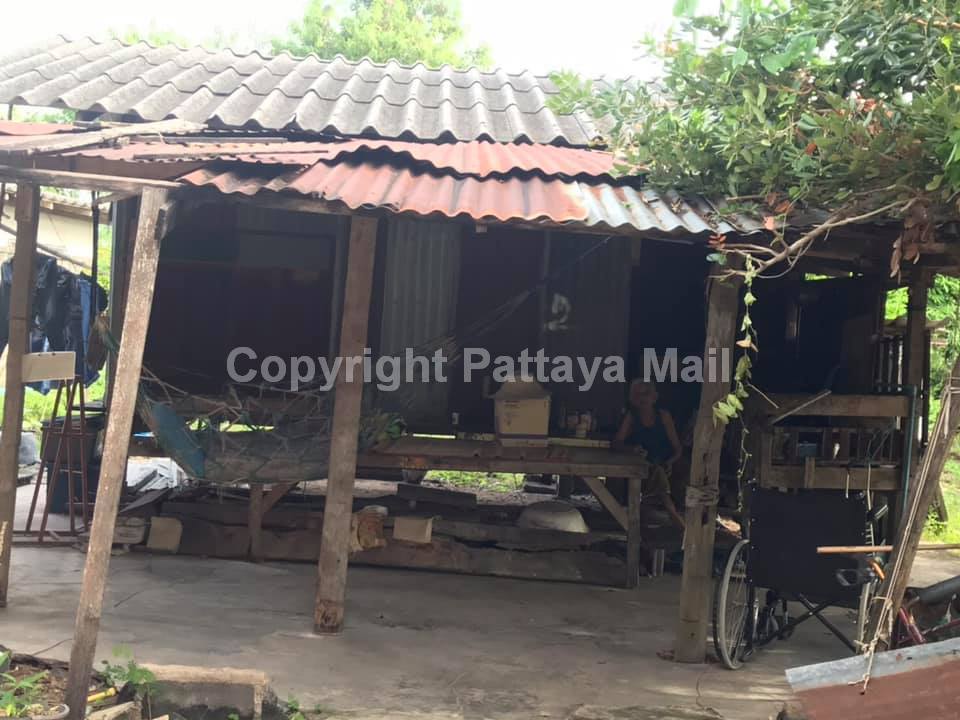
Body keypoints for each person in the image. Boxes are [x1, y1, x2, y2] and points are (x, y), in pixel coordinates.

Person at [612, 380, 685, 529]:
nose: (642, 398)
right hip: (644, 464)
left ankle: (672, 514)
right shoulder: (632, 416)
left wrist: (670, 462)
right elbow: (616, 443)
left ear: (654, 397)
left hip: (665, 462)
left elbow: (678, 449)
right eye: (637, 394)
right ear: (633, 398)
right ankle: (673, 515)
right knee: (656, 472)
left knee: (661, 471)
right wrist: (633, 449)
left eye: (646, 393)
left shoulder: (663, 416)